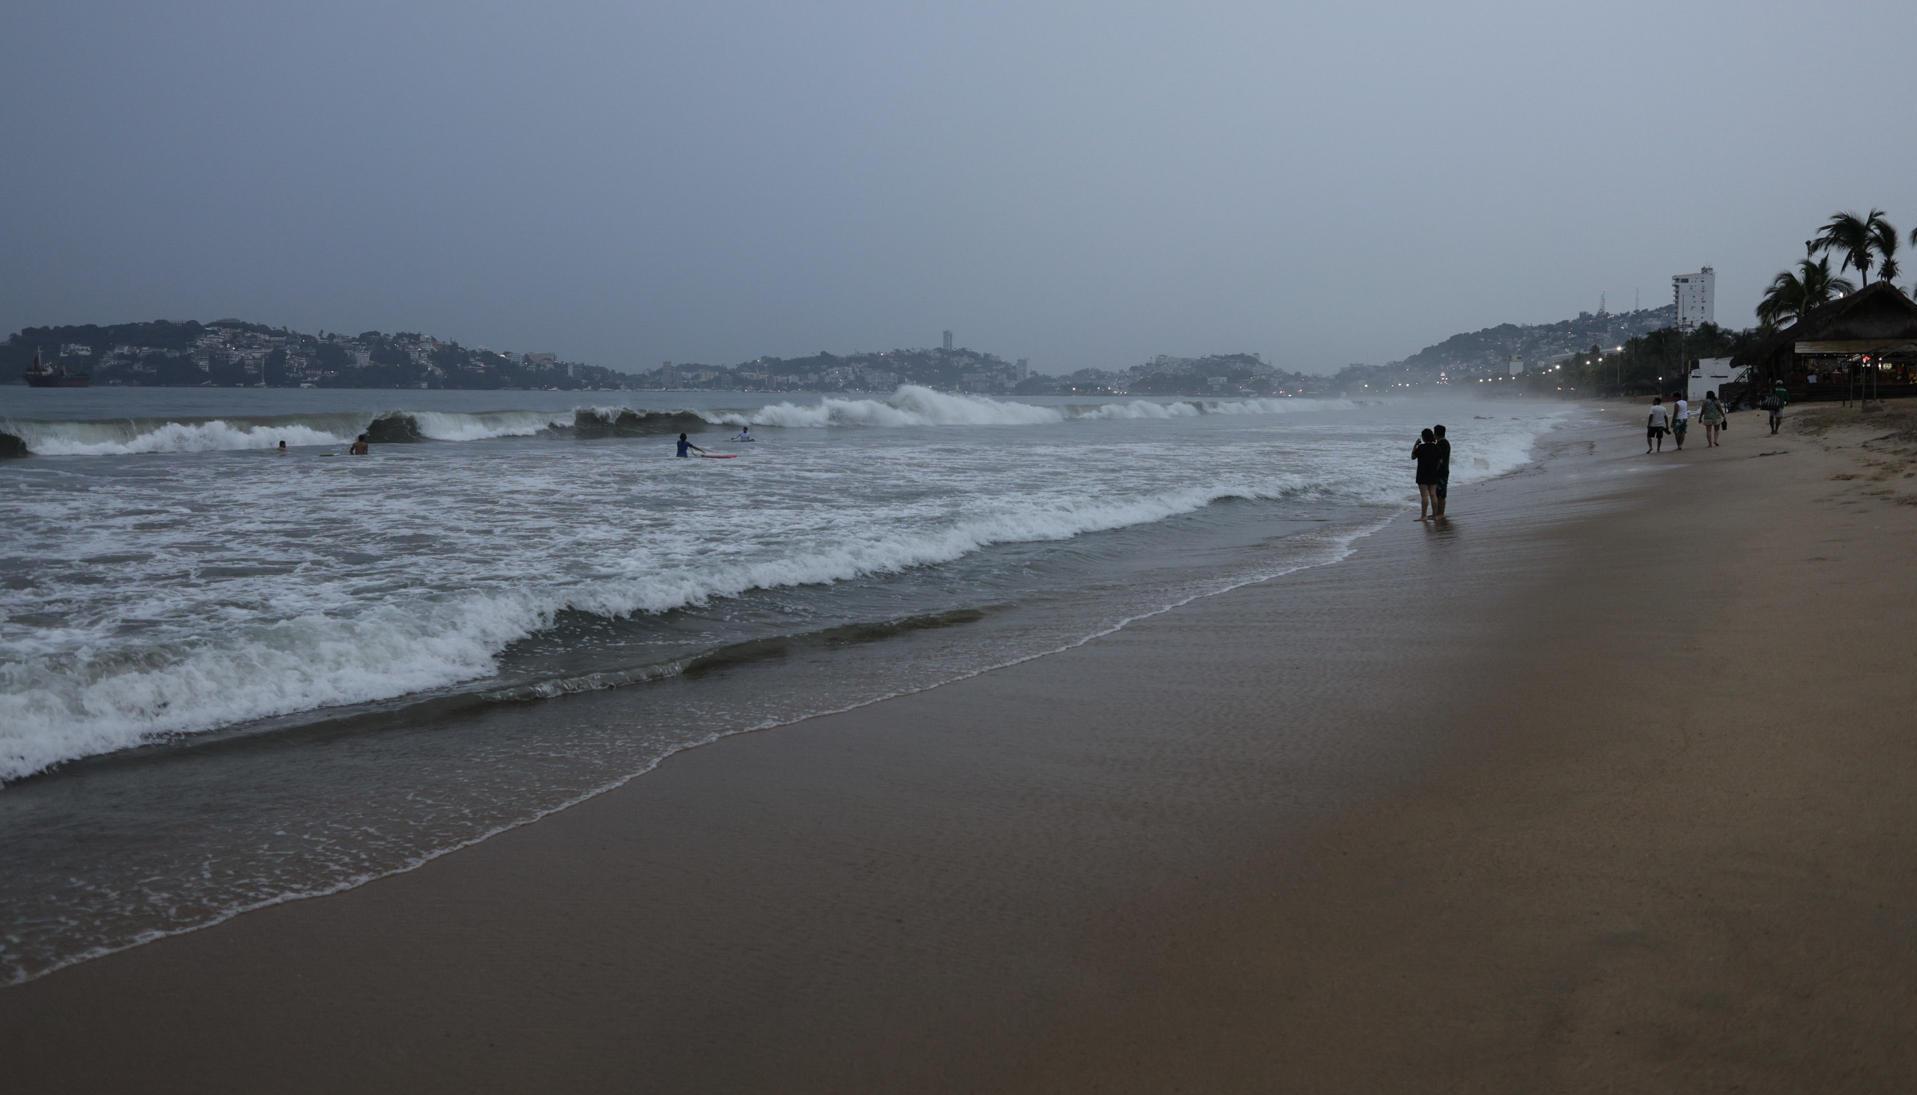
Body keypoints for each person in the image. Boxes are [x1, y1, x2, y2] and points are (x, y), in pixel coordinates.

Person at [1412, 428, 1443, 520]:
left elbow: (1413, 456)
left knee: (1424, 496)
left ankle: (1424, 516)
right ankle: (1434, 515)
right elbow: (1440, 461)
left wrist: (1415, 444)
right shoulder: (1436, 447)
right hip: (1433, 473)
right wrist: (1436, 469)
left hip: (1422, 474)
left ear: (1424, 438)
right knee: (1433, 494)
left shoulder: (1421, 447)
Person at [1431, 424, 1451, 518]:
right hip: (1443, 471)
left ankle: (1440, 514)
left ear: (1436, 433)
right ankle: (1438, 513)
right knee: (1439, 494)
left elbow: (1440, 460)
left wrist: (1435, 470)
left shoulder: (1442, 443)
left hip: (1441, 472)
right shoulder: (1444, 442)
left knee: (1440, 495)